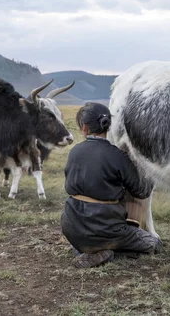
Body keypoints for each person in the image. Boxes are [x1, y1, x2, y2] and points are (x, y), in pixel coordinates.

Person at [60, 102, 163, 268]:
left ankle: (85, 250)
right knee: (153, 244)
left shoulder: (74, 152)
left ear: (84, 128)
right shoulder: (117, 156)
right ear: (107, 127)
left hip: (71, 226)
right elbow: (141, 192)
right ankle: (109, 252)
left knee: (84, 240)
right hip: (107, 229)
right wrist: (151, 171)